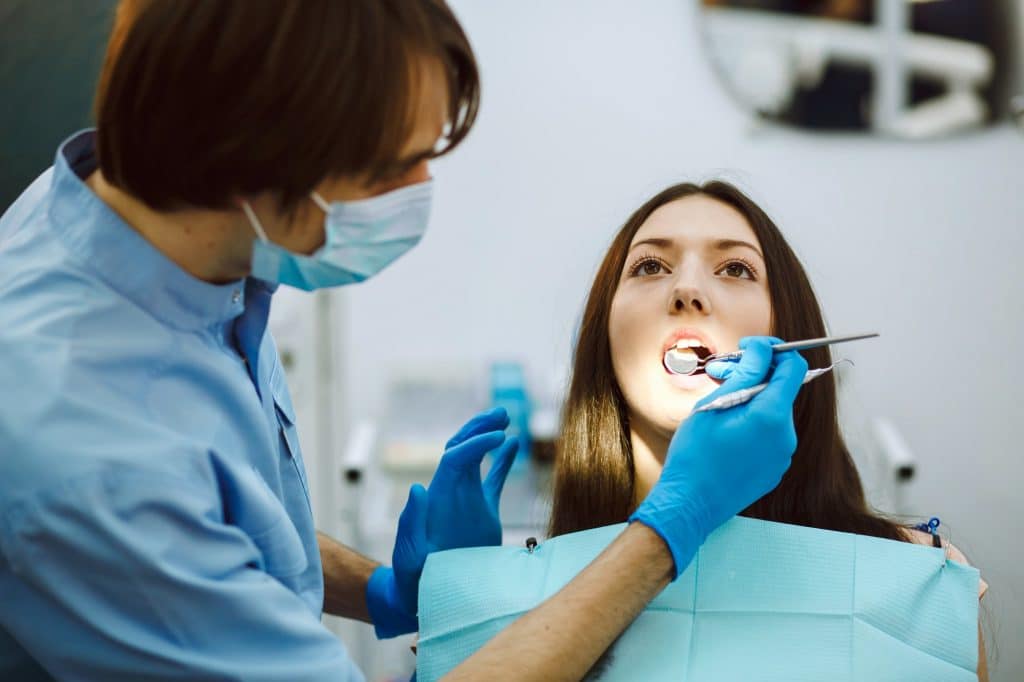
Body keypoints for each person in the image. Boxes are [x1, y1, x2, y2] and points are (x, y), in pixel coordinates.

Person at [0, 2, 807, 680]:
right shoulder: (88, 455)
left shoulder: (154, 223)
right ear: (250, 165)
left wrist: (392, 591)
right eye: (393, 168)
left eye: (736, 270)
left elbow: (215, 518)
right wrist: (676, 522)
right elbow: (158, 507)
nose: (422, 192)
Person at [548, 179, 989, 679]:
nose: (686, 290)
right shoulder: (527, 596)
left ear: (789, 327)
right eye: (650, 266)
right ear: (601, 335)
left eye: (735, 268)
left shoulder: (919, 582)